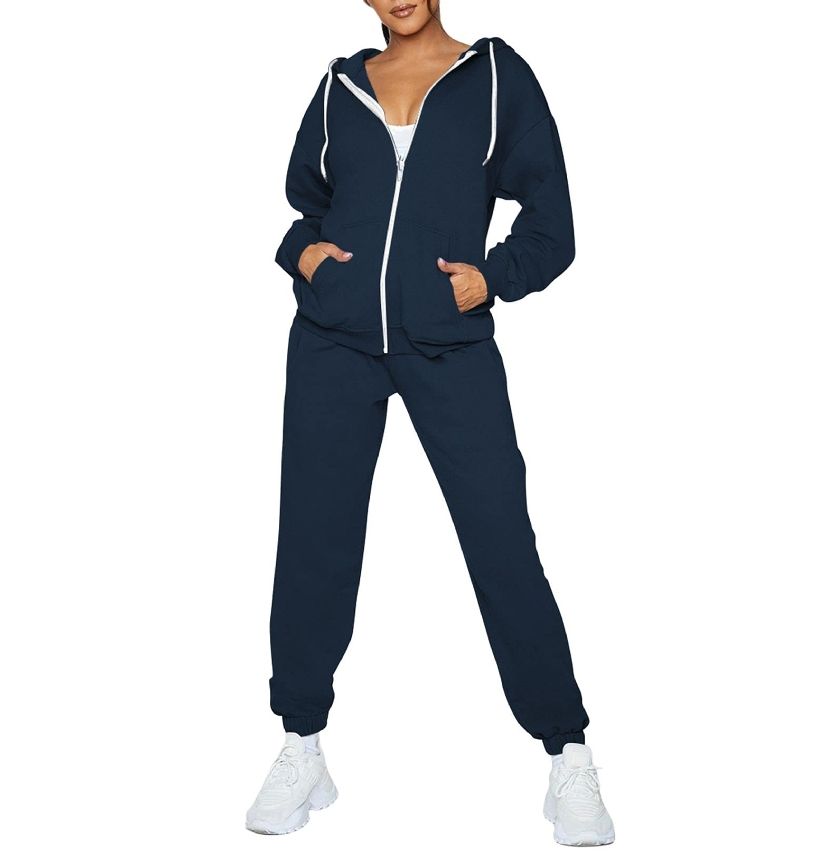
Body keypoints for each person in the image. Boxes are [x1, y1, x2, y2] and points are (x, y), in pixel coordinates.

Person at [246, 1, 615, 845]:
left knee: (499, 536)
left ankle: (567, 749)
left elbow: (553, 223)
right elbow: (307, 205)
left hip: (449, 343)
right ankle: (301, 740)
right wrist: (302, 254)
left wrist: (493, 278)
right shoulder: (339, 86)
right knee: (313, 538)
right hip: (333, 342)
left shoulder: (495, 78)